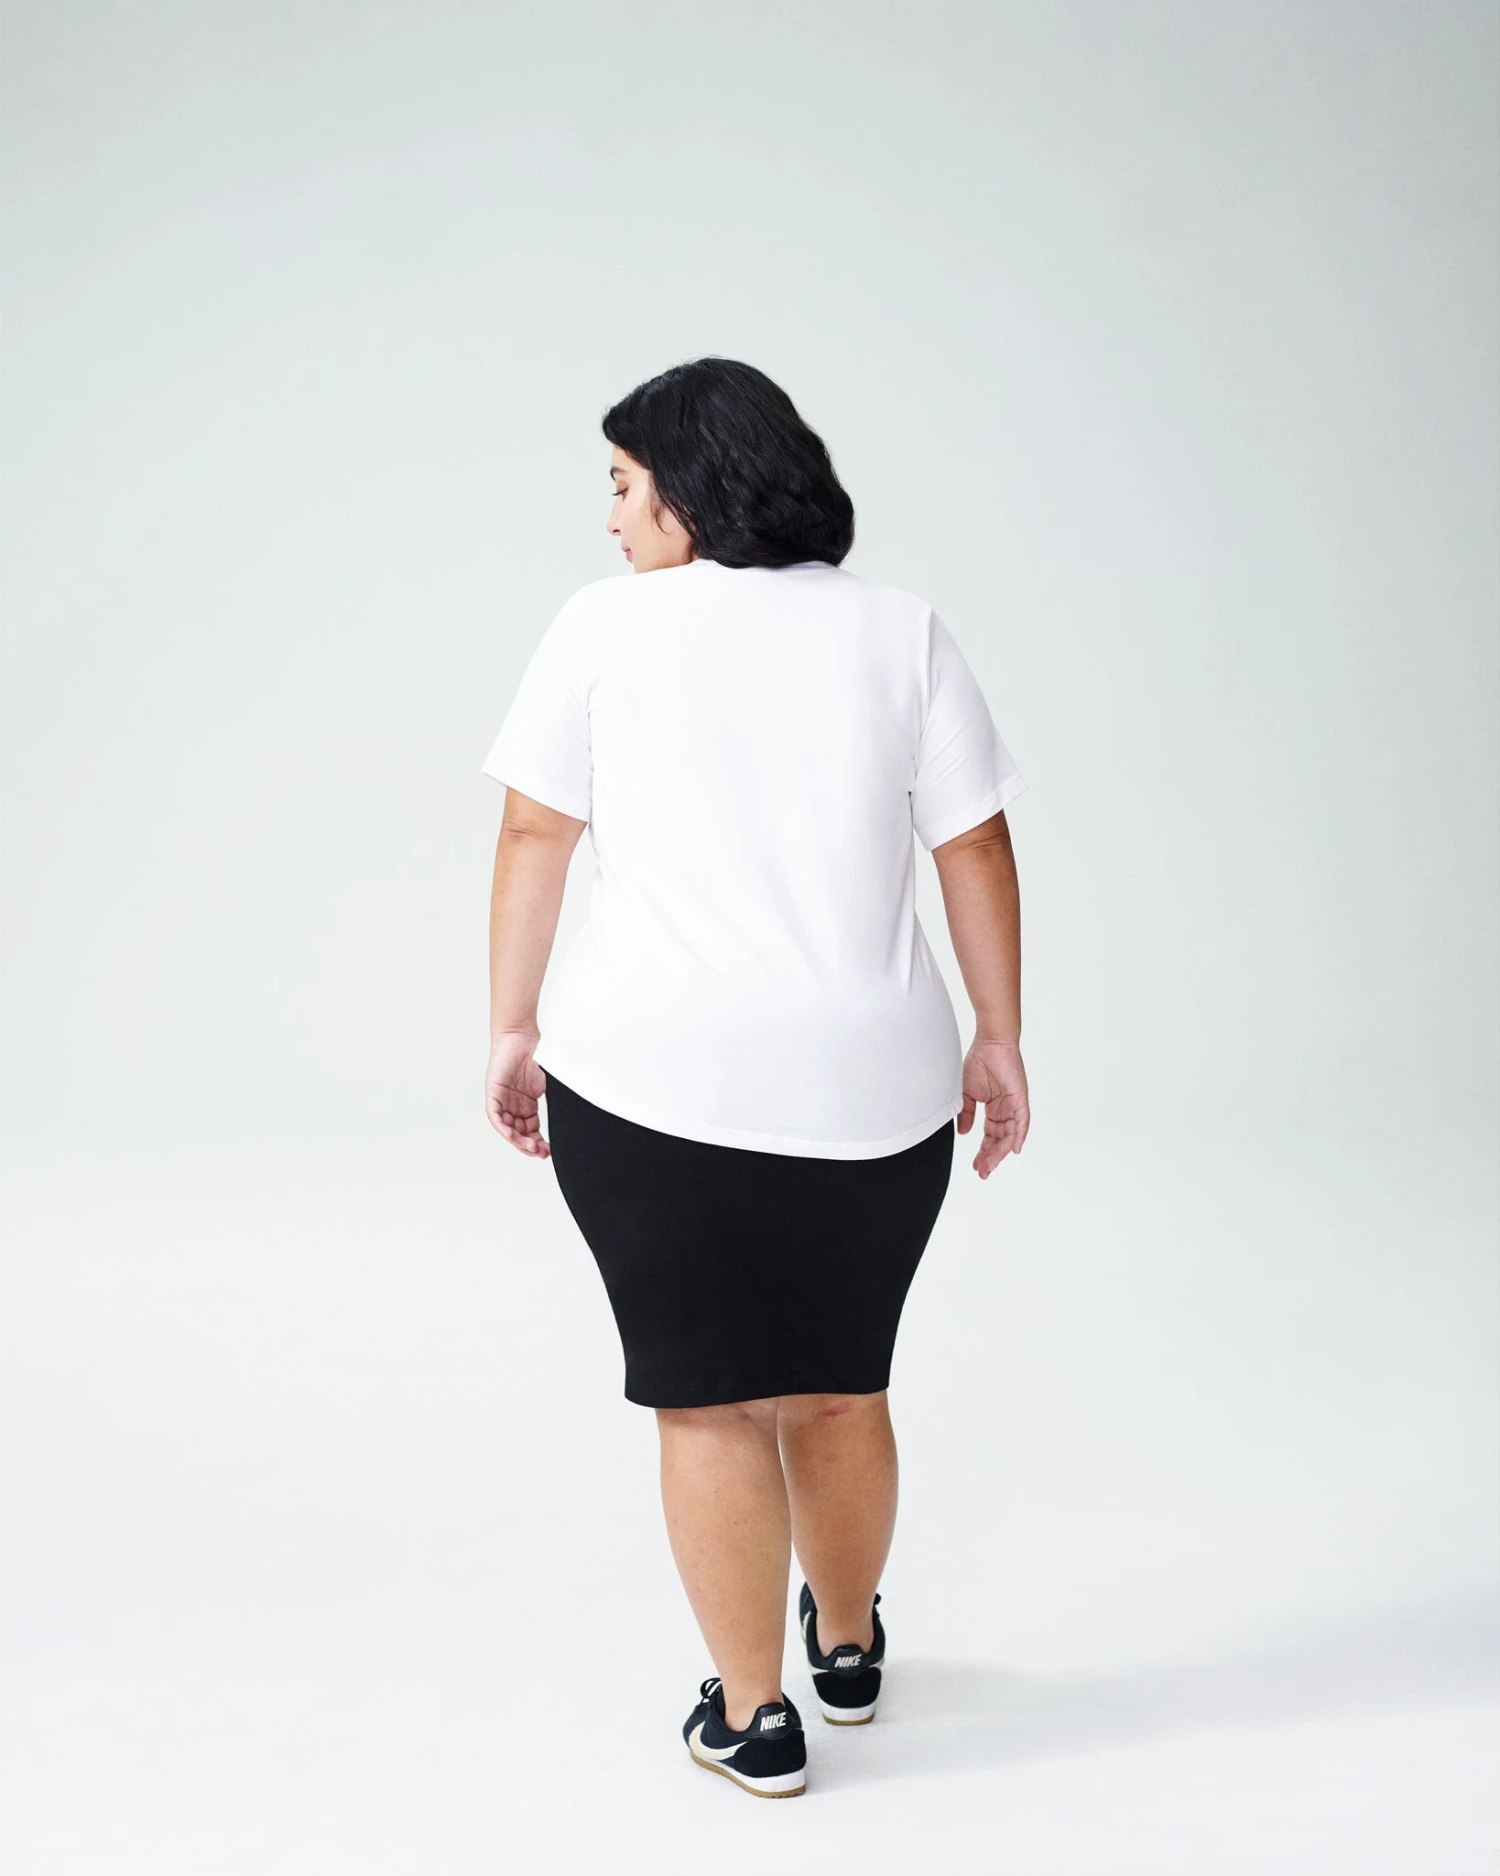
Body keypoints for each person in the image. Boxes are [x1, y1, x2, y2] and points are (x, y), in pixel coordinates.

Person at [480, 357, 1029, 1799]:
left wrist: (512, 1024)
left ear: (687, 486)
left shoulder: (601, 629)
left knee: (710, 1402)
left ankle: (753, 1716)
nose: (610, 517)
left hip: (649, 1080)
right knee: (840, 1388)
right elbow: (972, 843)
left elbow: (534, 836)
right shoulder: (901, 630)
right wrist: (999, 1034)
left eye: (621, 484)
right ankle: (845, 1649)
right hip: (876, 1088)